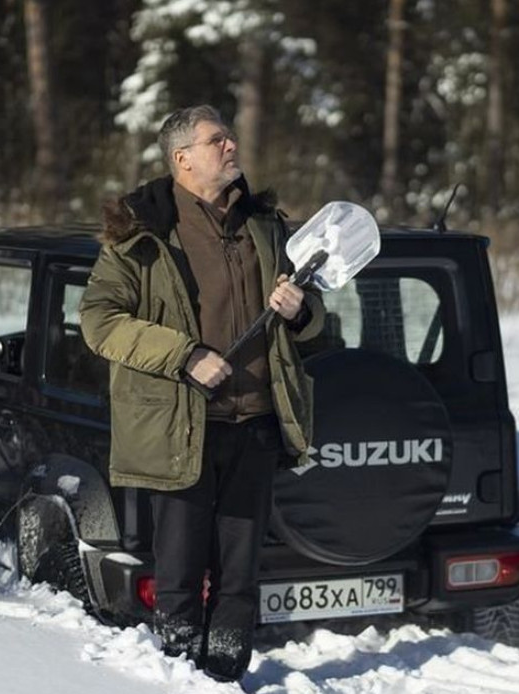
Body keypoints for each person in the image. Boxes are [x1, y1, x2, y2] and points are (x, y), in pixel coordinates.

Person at [79, 104, 324, 682]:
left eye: (230, 137)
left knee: (240, 576)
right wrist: (185, 355)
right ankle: (180, 673)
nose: (232, 146)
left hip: (256, 423)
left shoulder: (264, 225)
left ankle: (228, 674)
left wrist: (300, 311)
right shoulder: (141, 234)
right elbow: (99, 321)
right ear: (182, 158)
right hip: (181, 427)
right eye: (218, 140)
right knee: (180, 574)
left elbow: (313, 319)